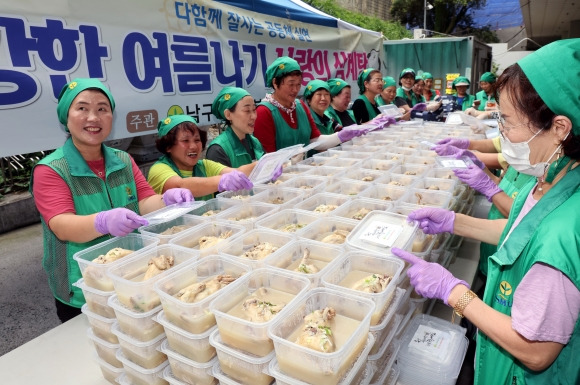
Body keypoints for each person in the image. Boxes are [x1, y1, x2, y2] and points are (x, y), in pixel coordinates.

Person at [392, 39, 580, 385]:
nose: (501, 133)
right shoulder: (554, 178)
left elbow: (536, 350)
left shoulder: (564, 229)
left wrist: (455, 293)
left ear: (559, 129)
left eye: (507, 121)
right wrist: (455, 221)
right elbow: (519, 233)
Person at [30, 78, 194, 323]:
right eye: (82, 108)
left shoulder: (122, 160)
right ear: (66, 116)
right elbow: (62, 226)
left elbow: (144, 202)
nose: (93, 118)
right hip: (83, 287)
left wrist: (166, 200)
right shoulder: (51, 170)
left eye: (102, 109)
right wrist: (102, 221)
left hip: (133, 274)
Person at [253, 56, 369, 154]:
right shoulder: (264, 112)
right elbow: (266, 158)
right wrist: (289, 162)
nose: (295, 90)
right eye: (291, 84)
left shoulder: (300, 106)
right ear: (275, 83)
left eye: (298, 85)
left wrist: (340, 136)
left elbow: (315, 140)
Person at [147, 114, 254, 201]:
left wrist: (263, 163)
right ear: (168, 146)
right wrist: (222, 181)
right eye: (185, 141)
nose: (193, 146)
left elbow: (237, 172)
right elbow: (181, 185)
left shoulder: (204, 165)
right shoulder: (159, 169)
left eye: (197, 140)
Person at [206, 87, 265, 168]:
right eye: (247, 111)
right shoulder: (218, 150)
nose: (254, 116)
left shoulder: (255, 142)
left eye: (254, 109)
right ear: (228, 115)